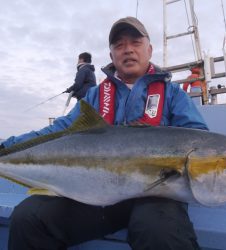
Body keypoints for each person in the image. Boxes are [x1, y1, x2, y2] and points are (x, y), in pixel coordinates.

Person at [0, 17, 208, 250]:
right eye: (119, 45)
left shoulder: (173, 94)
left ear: (149, 50)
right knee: (28, 218)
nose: (127, 49)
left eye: (135, 42)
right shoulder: (96, 96)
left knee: (159, 231)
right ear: (112, 56)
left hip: (157, 198)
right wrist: (6, 147)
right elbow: (58, 131)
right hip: (96, 197)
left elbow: (198, 140)